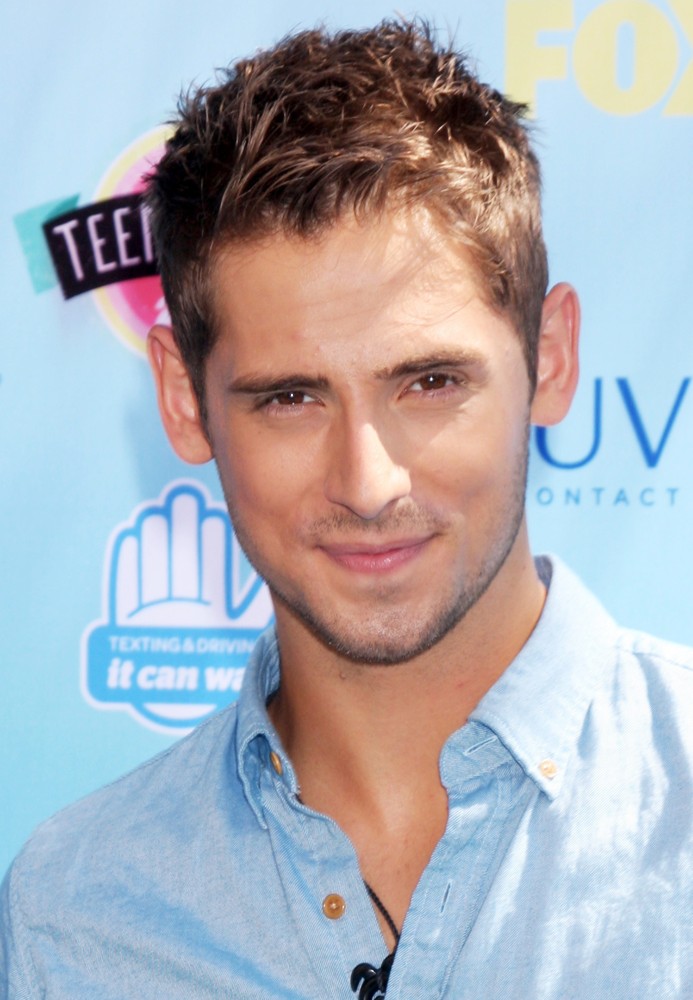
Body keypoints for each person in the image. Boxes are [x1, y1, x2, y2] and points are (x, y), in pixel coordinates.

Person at [1, 19, 691, 1000]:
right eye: (291, 397)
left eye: (430, 382)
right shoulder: (78, 908)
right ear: (184, 401)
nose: (368, 484)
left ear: (552, 358)